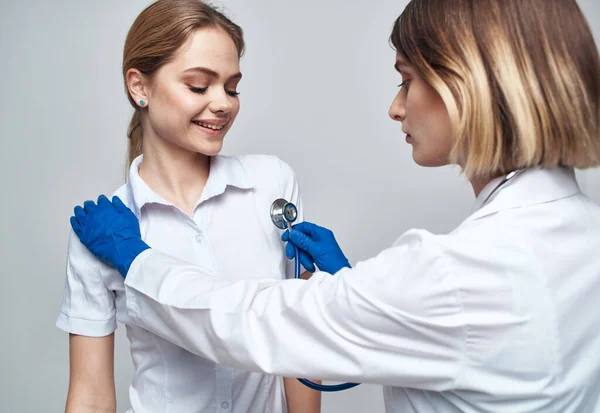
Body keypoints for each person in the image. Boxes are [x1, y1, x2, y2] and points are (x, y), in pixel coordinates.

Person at [69, 0, 600, 411]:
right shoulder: (583, 233)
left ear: (472, 87)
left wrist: (138, 261)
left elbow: (258, 324)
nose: (396, 107)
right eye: (198, 84)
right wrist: (354, 296)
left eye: (406, 79)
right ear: (138, 87)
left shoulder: (449, 274)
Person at [56, 1, 321, 412]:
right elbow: (90, 395)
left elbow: (299, 334)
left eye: (232, 87)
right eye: (199, 86)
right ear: (139, 87)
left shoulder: (272, 185)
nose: (223, 104)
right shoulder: (101, 230)